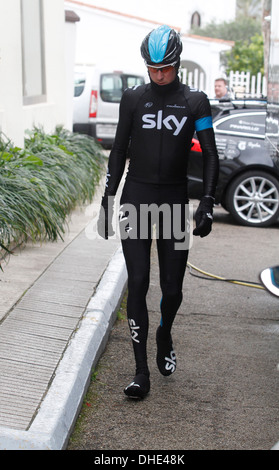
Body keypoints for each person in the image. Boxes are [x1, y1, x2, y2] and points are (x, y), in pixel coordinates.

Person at [98, 25, 219, 399]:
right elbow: (118, 150)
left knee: (172, 289)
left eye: (165, 68)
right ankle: (140, 372)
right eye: (153, 68)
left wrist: (208, 203)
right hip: (136, 197)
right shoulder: (133, 99)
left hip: (173, 201)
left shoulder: (196, 101)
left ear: (177, 63)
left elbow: (211, 154)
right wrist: (107, 197)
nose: (159, 74)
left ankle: (164, 334)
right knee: (137, 283)